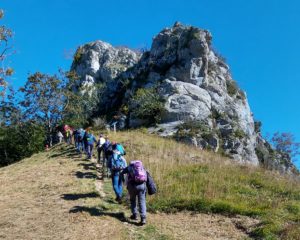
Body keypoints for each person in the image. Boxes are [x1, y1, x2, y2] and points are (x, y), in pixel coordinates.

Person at [121, 160, 148, 225]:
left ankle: (135, 214)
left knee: (133, 200)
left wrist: (124, 180)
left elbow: (122, 172)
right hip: (142, 186)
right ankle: (143, 218)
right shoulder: (142, 167)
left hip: (132, 186)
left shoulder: (129, 167)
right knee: (142, 201)